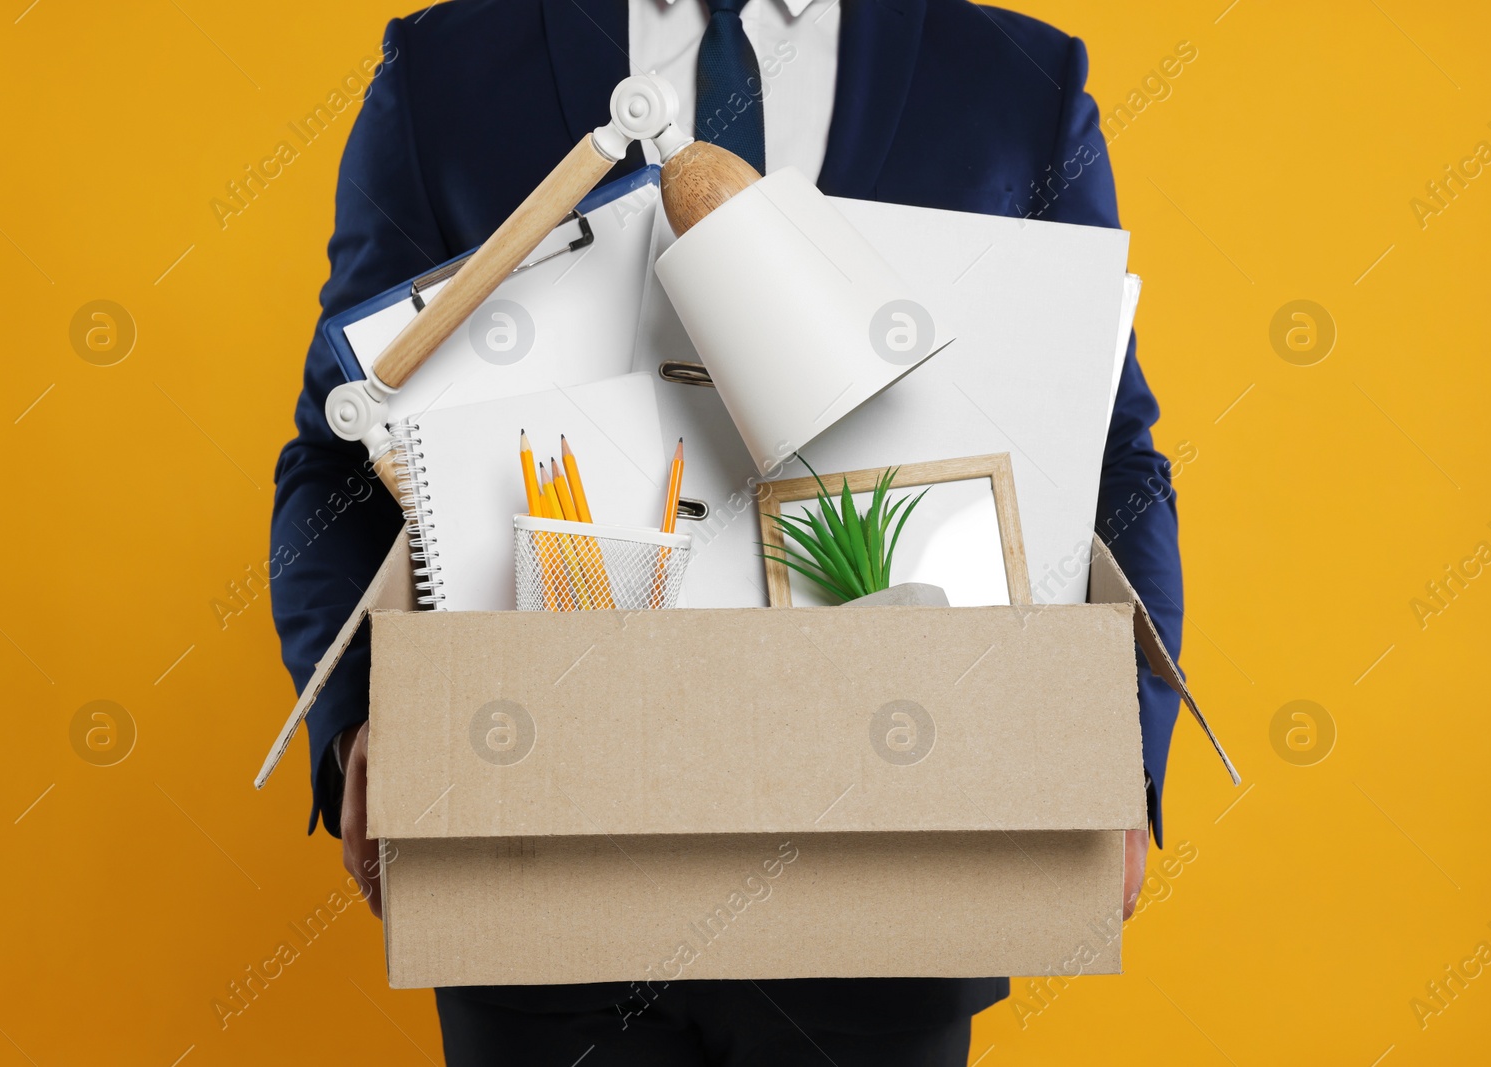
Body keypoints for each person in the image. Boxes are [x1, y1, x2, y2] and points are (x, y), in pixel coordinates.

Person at [270, 1, 1180, 1062]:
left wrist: (1120, 738)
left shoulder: (1014, 77)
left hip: (896, 880)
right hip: (535, 871)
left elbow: (1111, 453)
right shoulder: (448, 65)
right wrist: (356, 728)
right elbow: (335, 448)